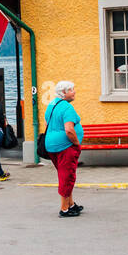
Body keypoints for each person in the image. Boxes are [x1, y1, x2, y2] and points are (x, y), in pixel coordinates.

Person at [44, 81, 84, 218]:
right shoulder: (67, 108)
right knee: (67, 176)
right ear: (64, 93)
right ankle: (64, 208)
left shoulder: (52, 104)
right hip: (65, 146)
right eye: (71, 90)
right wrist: (77, 144)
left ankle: (71, 204)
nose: (74, 92)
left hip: (51, 145)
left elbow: (46, 123)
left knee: (63, 174)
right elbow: (69, 129)